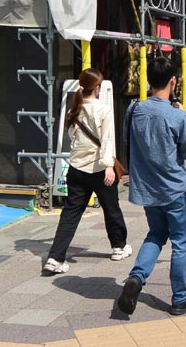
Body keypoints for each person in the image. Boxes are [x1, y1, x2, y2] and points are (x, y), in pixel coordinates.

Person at [117, 57, 186, 317]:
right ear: (173, 81)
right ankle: (180, 297)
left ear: (148, 80)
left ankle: (137, 278)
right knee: (180, 242)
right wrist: (182, 114)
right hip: (174, 188)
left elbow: (127, 140)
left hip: (148, 189)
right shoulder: (177, 116)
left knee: (155, 234)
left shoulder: (135, 110)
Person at [44, 69, 130, 275]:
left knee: (70, 214)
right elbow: (108, 139)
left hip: (76, 168)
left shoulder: (74, 109)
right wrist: (109, 165)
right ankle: (118, 247)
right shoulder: (103, 109)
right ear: (98, 88)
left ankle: (55, 258)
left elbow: (73, 139)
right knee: (111, 209)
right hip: (100, 169)